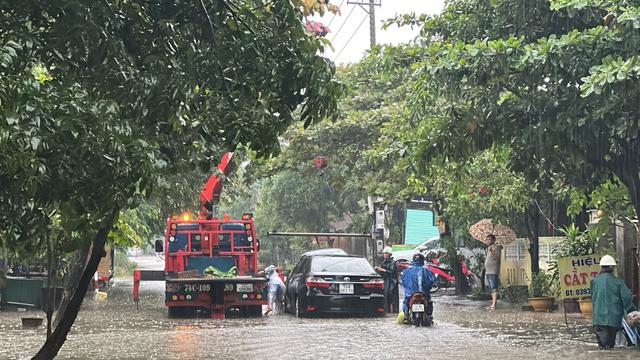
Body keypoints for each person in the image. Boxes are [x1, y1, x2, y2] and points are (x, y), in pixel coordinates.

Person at [590, 255, 637, 350]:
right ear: (612, 268)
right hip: (613, 320)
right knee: (610, 347)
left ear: (601, 268)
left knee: (603, 349)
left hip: (598, 320)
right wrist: (632, 311)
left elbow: (593, 298)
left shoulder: (594, 281)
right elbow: (627, 297)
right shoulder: (618, 282)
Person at [401, 252, 435, 321]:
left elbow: (403, 282)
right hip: (424, 293)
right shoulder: (427, 270)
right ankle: (429, 315)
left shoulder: (407, 270)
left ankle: (406, 315)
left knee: (406, 302)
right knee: (429, 301)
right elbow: (433, 281)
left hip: (410, 294)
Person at [374, 246, 399, 313]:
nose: (385, 255)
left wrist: (383, 270)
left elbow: (392, 272)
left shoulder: (393, 263)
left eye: (387, 253)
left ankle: (393, 310)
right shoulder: (383, 262)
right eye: (384, 253)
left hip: (391, 281)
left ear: (390, 254)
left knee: (390, 295)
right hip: (385, 280)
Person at [484, 234, 502, 310]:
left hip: (493, 271)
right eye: (487, 239)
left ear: (493, 240)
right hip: (488, 271)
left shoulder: (496, 247)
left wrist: (492, 251)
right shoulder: (488, 248)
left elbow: (498, 257)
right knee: (491, 288)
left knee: (494, 288)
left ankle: (494, 305)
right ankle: (493, 304)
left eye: (490, 239)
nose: (488, 241)